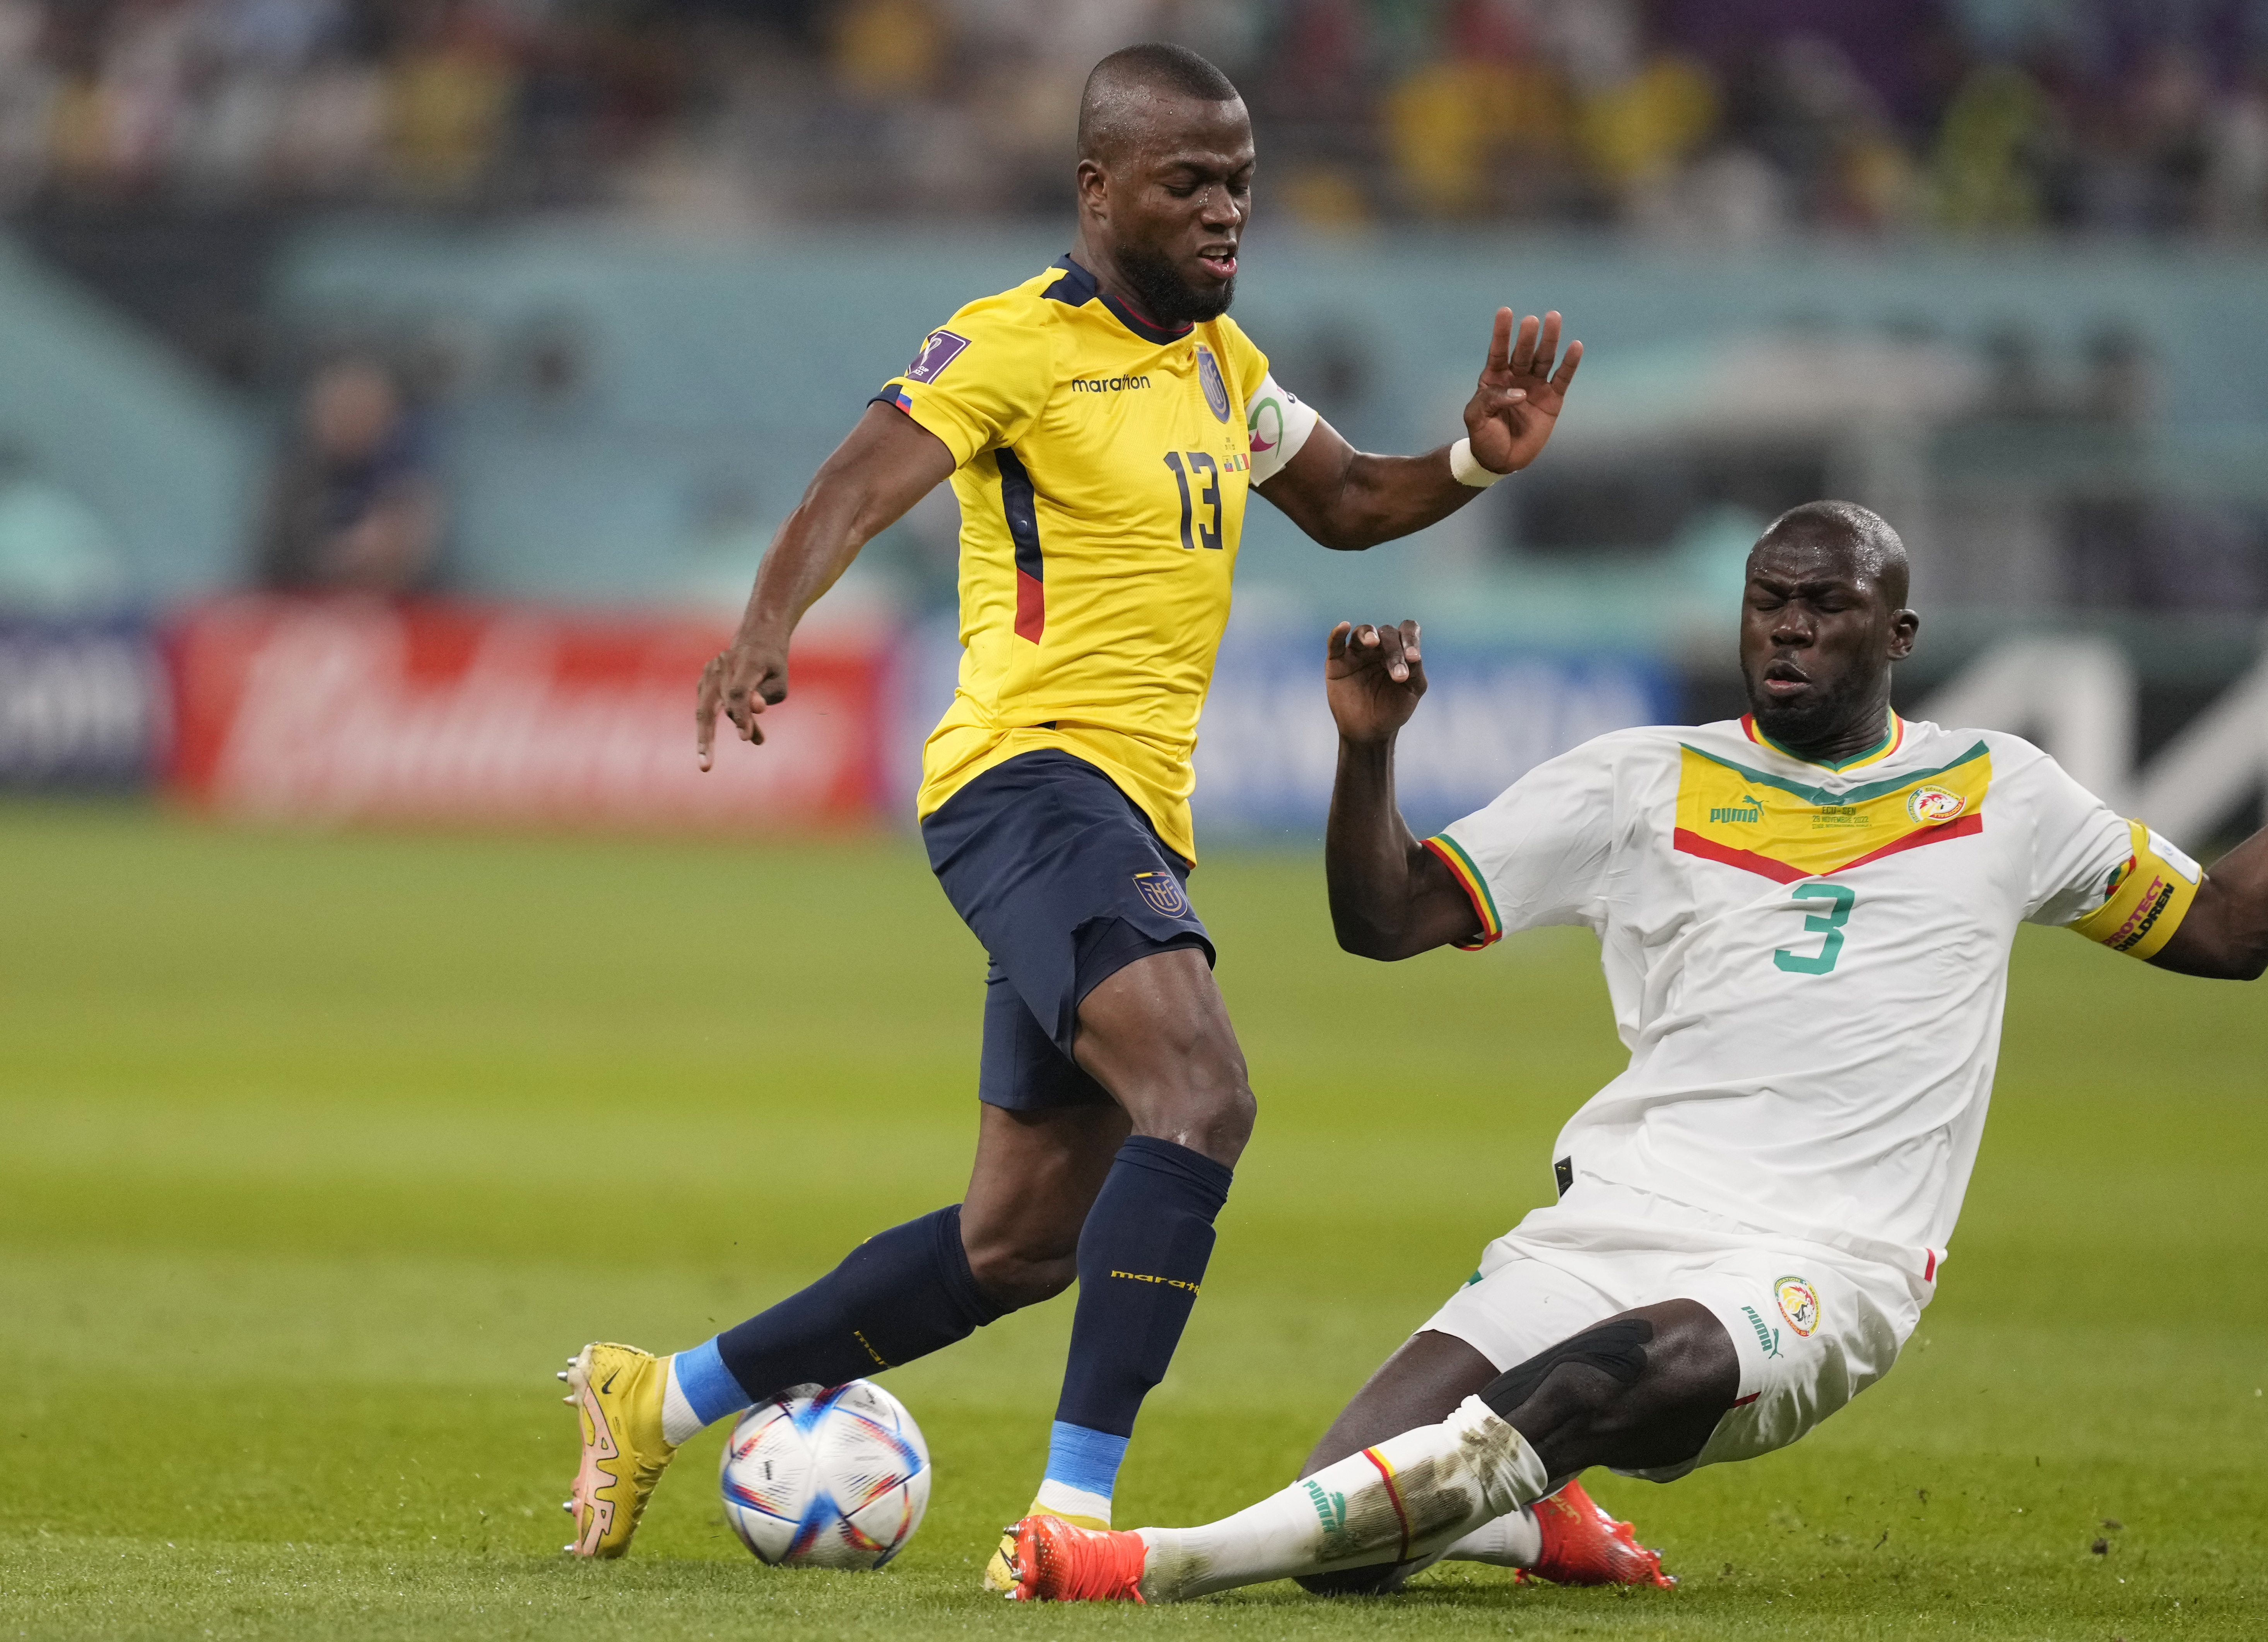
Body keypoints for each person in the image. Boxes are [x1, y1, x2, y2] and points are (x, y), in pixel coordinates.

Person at [995, 499, 2268, 1603]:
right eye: (1768, 603)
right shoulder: (1644, 783)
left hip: (1820, 1264)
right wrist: (1366, 750)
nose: (1785, 630)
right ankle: (1532, 1515)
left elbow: (2233, 928)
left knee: (1603, 1376)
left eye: (1823, 609)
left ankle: (1148, 1565)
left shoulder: (1996, 796)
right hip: (1609, 1222)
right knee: (1344, 1530)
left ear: (1893, 638)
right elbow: (1382, 919)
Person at [554, 42, 1585, 1584]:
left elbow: (1353, 501)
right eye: (1189, 182)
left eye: (1239, 179)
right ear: (1100, 188)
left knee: (1020, 1239)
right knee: (1205, 1090)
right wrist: (769, 620)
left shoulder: (1223, 367)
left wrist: (1464, 458)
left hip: (1125, 817)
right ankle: (1072, 1518)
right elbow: (858, 476)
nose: (1226, 209)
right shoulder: (1015, 342)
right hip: (1028, 780)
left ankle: (666, 1392)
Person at [258, 356, 441, 595]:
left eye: (362, 408)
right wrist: (338, 556)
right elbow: (275, 559)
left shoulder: (406, 479)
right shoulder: (292, 480)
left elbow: (423, 568)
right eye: (342, 409)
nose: (351, 419)